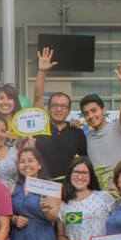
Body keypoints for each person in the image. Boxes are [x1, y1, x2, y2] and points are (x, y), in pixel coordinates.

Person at [32, 47, 87, 178]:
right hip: (42, 185)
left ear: (68, 110)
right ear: (48, 108)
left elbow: (84, 161)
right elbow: (38, 97)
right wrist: (42, 72)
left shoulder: (77, 132)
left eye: (63, 106)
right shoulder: (40, 127)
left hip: (68, 187)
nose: (58, 109)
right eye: (55, 105)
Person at [80, 60, 121, 171]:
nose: (91, 116)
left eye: (94, 110)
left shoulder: (118, 127)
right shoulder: (88, 137)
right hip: (97, 188)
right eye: (86, 113)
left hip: (119, 186)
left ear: (103, 110)